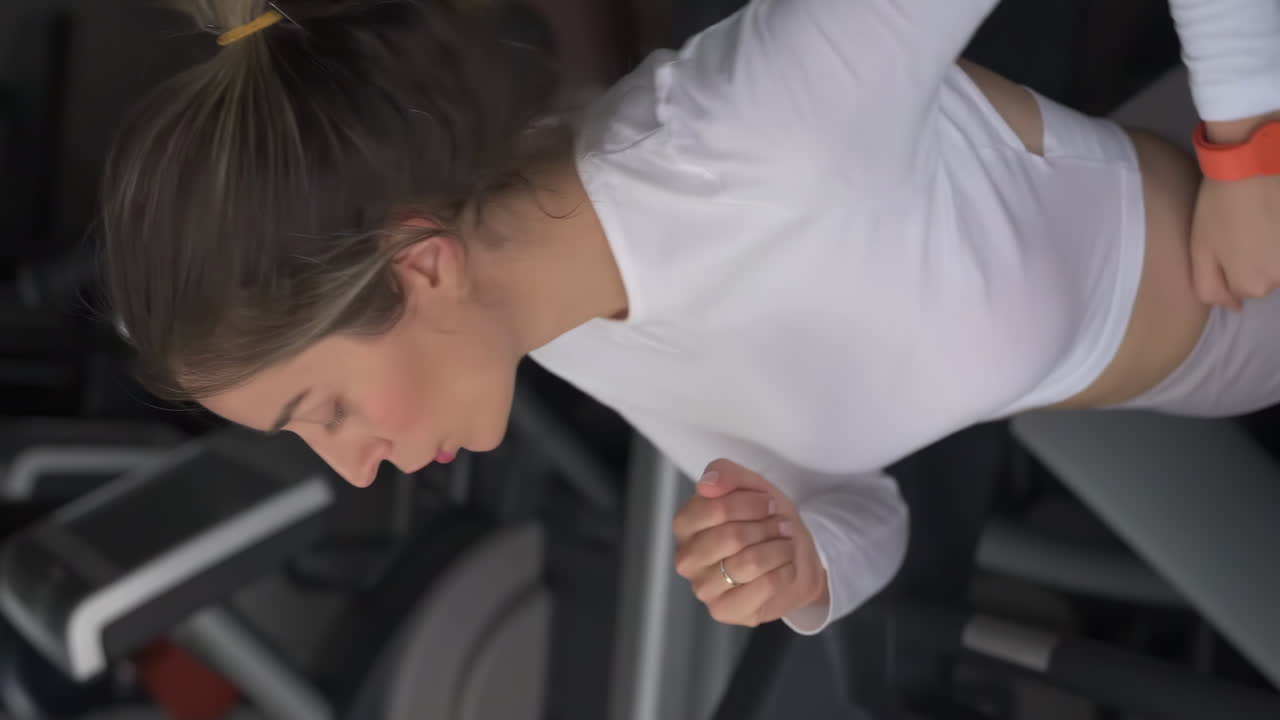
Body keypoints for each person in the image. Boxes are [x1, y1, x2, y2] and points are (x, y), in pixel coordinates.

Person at [99, 0, 1280, 636]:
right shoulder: (567, 328)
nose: (354, 471)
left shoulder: (762, 129)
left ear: (419, 269)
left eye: (326, 409)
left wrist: (1245, 152)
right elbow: (864, 507)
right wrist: (803, 558)